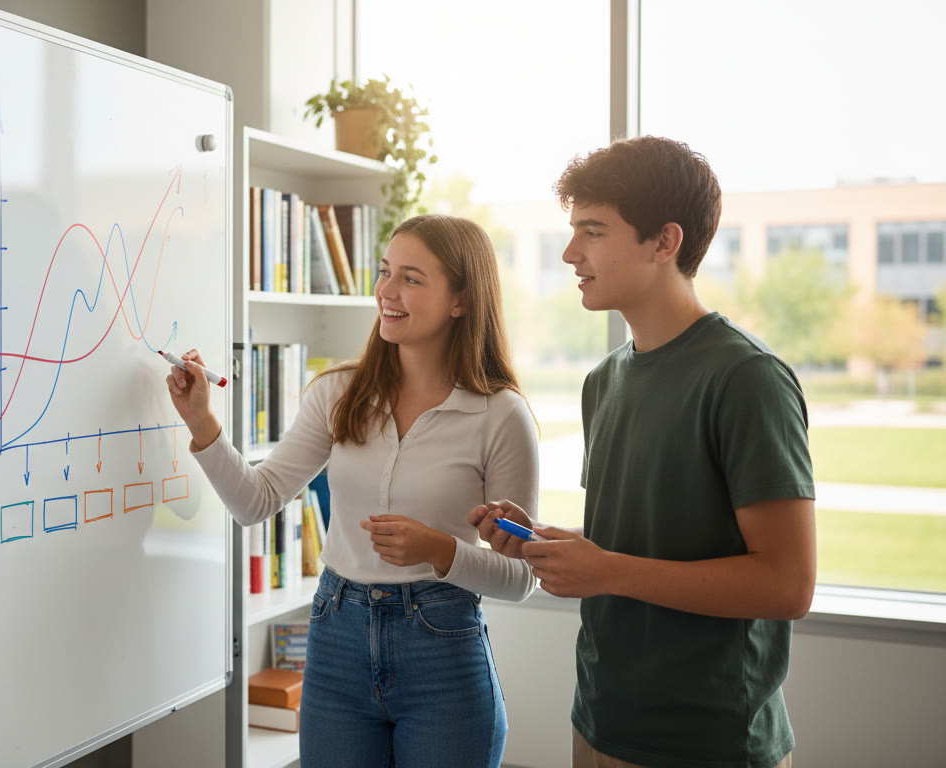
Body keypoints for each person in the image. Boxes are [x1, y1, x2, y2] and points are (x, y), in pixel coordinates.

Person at [474, 136, 815, 768]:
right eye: (573, 231)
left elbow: (788, 584)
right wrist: (553, 543)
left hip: (709, 744)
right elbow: (635, 538)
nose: (571, 253)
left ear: (665, 242)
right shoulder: (603, 382)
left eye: (593, 231)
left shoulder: (748, 380)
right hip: (600, 723)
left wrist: (605, 570)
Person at [165, 214, 539, 768]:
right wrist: (202, 423)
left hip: (442, 647)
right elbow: (254, 501)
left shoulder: (501, 415)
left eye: (412, 278)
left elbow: (522, 577)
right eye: (385, 272)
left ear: (461, 299)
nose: (387, 291)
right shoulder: (338, 393)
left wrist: (440, 550)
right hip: (337, 636)